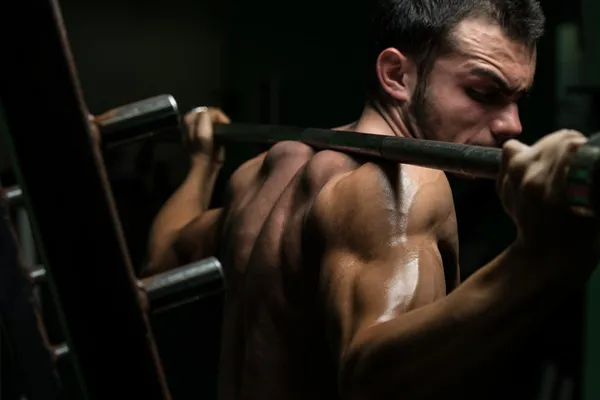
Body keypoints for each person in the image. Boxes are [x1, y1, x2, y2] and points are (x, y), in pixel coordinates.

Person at [144, 1, 599, 398]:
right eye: (484, 93)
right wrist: (540, 258)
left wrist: (202, 164)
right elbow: (371, 379)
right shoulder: (401, 183)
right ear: (397, 74)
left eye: (518, 99)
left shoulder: (262, 173)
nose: (513, 125)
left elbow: (163, 258)